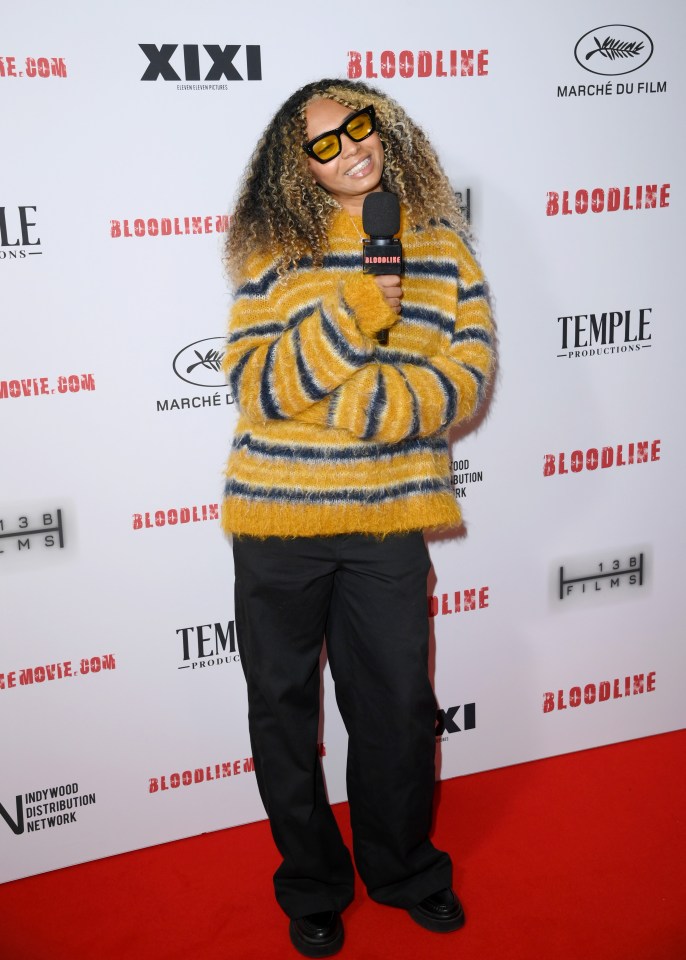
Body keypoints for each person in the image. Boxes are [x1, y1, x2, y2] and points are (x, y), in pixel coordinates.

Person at [221, 77, 494, 958]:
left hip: (388, 517)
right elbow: (256, 389)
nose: (350, 151)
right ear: (295, 165)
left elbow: (466, 382)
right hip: (278, 521)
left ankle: (405, 867)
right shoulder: (271, 248)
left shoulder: (446, 248)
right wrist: (357, 313)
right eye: (323, 144)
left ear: (388, 127)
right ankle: (311, 882)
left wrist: (356, 400)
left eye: (359, 128)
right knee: (283, 710)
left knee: (400, 709)